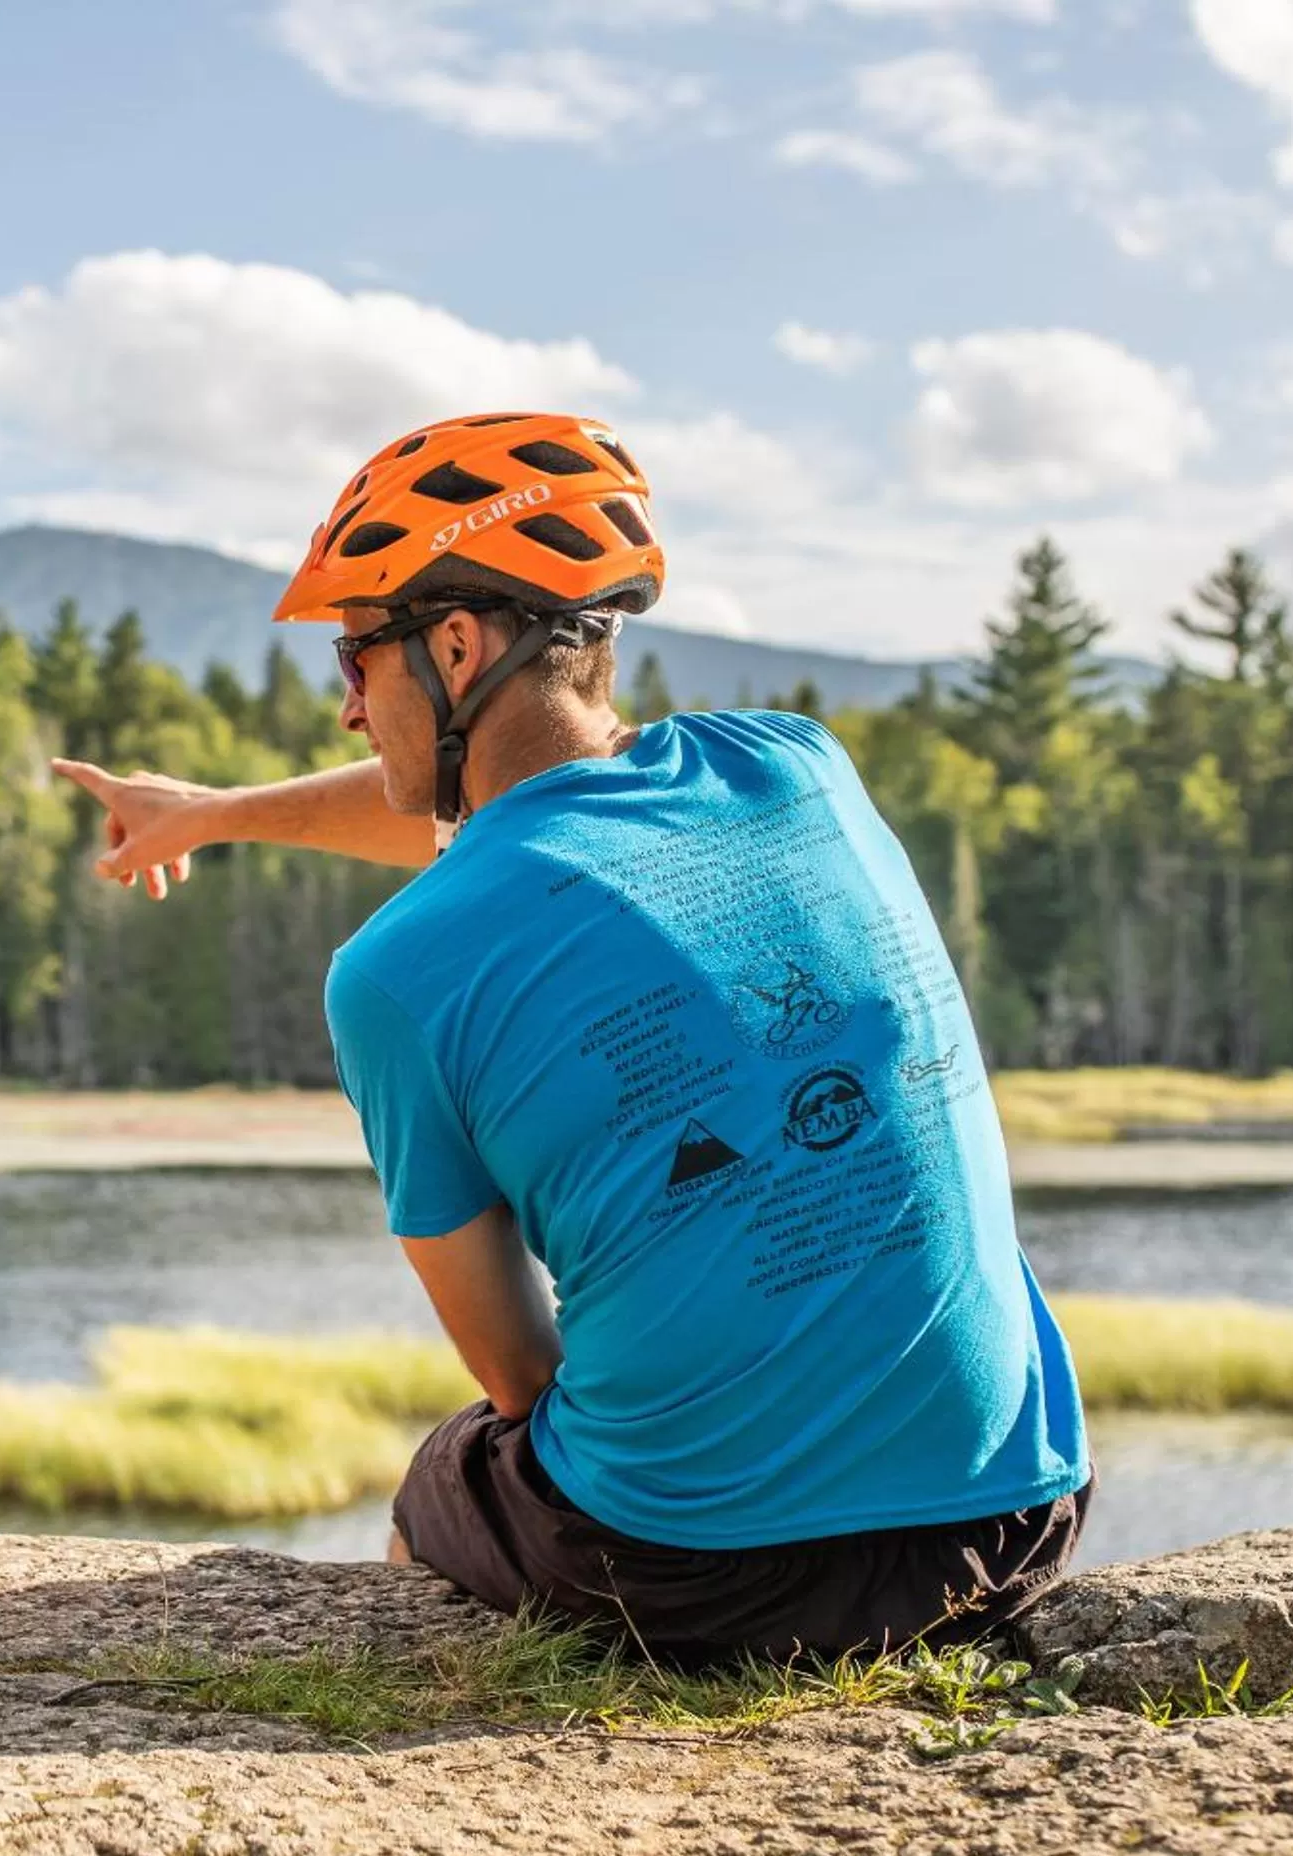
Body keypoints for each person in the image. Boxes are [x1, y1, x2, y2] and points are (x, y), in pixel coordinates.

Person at [55, 413, 1089, 1665]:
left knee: (453, 1478)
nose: (344, 708)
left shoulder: (389, 976)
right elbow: (535, 823)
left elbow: (519, 1378)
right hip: (1013, 1514)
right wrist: (213, 815)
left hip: (699, 1572)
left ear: (453, 643)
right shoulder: (799, 768)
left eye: (354, 657)